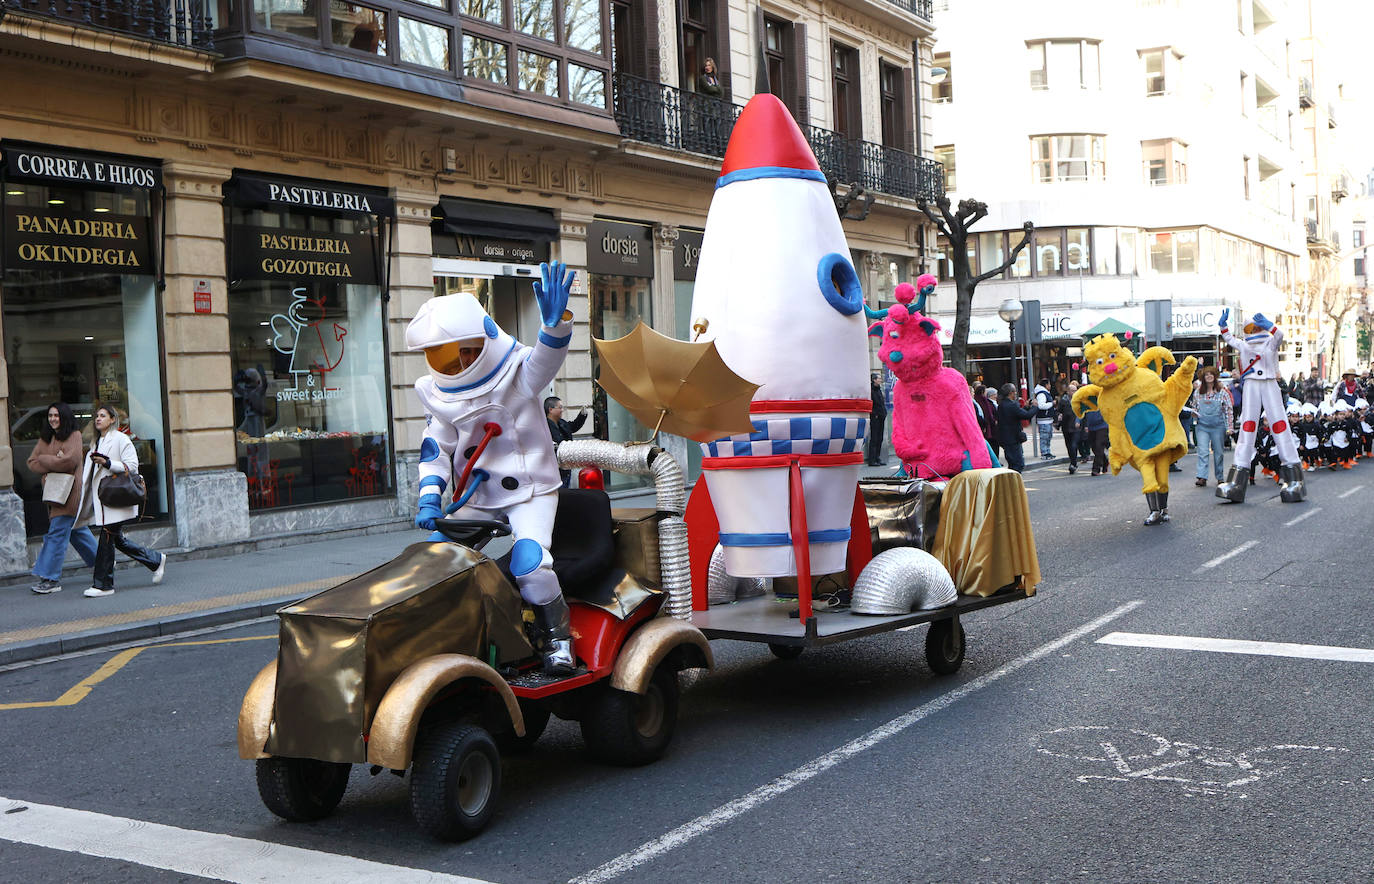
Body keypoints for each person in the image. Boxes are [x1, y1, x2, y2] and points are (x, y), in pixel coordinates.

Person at [409, 261, 579, 675]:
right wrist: (430, 499)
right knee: (432, 560)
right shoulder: (440, 395)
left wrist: (555, 326)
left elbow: (545, 360)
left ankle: (557, 639)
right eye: (442, 356)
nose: (454, 363)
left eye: (461, 352)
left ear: (482, 341)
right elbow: (436, 449)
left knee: (530, 564)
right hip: (481, 495)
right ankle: (449, 633)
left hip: (530, 491)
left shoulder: (516, 374)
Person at [78, 404, 167, 598]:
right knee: (116, 539)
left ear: (112, 419)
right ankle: (155, 560)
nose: (98, 419)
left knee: (106, 538)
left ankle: (103, 584)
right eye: (96, 416)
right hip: (104, 499)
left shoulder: (120, 439)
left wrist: (107, 463)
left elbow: (132, 467)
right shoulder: (96, 442)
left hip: (116, 497)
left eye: (103, 416)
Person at [1215, 310, 1304, 503]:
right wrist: (1223, 326)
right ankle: (1237, 482)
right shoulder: (1245, 346)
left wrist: (1270, 325)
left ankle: (1295, 479)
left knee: (1280, 426)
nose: (1255, 330)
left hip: (1270, 383)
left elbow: (1279, 335)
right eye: (1252, 327)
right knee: (1247, 427)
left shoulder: (1270, 343)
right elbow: (1229, 339)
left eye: (1258, 327)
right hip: (1252, 386)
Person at [26, 402, 98, 594]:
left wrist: (46, 459)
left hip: (71, 493)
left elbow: (70, 461)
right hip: (54, 493)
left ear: (64, 417)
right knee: (76, 531)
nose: (53, 419)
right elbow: (32, 462)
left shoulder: (74, 435)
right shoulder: (46, 438)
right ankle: (103, 563)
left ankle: (50, 579)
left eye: (56, 415)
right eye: (50, 416)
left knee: (56, 534)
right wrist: (54, 460)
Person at [1193, 366, 1232, 487]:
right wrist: (1194, 415)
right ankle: (1202, 476)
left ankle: (1220, 477)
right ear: (1203, 378)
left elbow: (1228, 410)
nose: (1209, 376)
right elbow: (1195, 407)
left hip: (1218, 426)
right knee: (1203, 451)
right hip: (1202, 426)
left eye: (1211, 374)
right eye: (1206, 375)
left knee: (1219, 452)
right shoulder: (1198, 392)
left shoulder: (1222, 392)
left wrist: (1229, 427)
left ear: (1215, 376)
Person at [545, 396, 588, 486]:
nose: (562, 410)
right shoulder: (544, 427)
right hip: (554, 471)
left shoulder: (562, 423)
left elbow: (573, 426)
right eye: (560, 407)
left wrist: (582, 415)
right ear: (550, 409)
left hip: (566, 468)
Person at [996, 382, 1036, 472]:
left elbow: (1018, 414)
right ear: (1011, 393)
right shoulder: (1012, 405)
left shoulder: (1002, 405)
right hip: (1013, 438)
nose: (1016, 394)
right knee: (1018, 464)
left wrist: (1026, 407)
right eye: (1015, 392)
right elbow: (1027, 416)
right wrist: (1035, 407)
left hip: (1005, 438)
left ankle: (1012, 482)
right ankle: (1014, 483)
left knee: (1012, 463)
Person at [1056, 380, 1080, 474]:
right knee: (1069, 446)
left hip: (1076, 427)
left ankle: (1073, 464)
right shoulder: (1063, 401)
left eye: (1075, 390)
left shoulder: (1079, 400)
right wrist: (1059, 415)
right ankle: (1073, 462)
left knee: (1074, 445)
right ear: (1068, 392)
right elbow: (1058, 411)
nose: (1074, 392)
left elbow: (1083, 412)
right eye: (1072, 391)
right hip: (1066, 426)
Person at [973, 383, 999, 460]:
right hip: (987, 426)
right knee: (992, 444)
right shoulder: (984, 401)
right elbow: (988, 413)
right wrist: (992, 421)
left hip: (986, 426)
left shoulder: (978, 400)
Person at [866, 372, 887, 466]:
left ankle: (877, 458)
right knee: (874, 438)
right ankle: (872, 460)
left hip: (881, 416)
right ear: (874, 379)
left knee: (880, 438)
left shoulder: (879, 389)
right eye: (879, 378)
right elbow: (871, 404)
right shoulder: (871, 390)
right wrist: (875, 414)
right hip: (875, 417)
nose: (880, 380)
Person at [1032, 378, 1055, 459]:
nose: (1050, 386)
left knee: (1048, 437)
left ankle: (1047, 452)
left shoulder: (1045, 393)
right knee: (1044, 437)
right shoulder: (1042, 394)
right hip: (1043, 420)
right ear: (1046, 385)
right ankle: (1044, 453)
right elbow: (1041, 406)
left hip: (1048, 419)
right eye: (1049, 384)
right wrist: (1052, 404)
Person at [1082, 405, 1109, 476]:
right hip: (1091, 427)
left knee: (1099, 445)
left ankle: (1096, 469)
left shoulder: (1102, 398)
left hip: (1103, 426)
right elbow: (1082, 412)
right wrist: (1085, 425)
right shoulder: (1087, 400)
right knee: (1094, 448)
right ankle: (1105, 461)